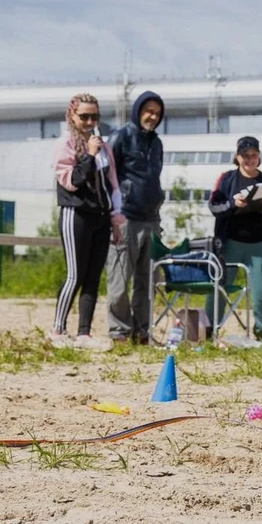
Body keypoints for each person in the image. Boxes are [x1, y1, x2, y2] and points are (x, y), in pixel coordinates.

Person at [51, 93, 126, 351]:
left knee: (93, 276)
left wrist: (116, 217)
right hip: (76, 213)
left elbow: (112, 183)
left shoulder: (104, 147)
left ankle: (84, 332)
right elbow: (72, 180)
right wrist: (89, 156)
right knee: (75, 274)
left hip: (101, 216)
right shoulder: (66, 144)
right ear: (72, 116)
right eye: (84, 116)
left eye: (94, 116)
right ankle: (57, 329)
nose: (90, 121)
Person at [206, 135, 262, 343]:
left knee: (261, 291)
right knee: (219, 285)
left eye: (253, 155)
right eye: (245, 155)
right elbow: (214, 207)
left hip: (260, 243)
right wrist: (234, 205)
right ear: (237, 157)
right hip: (230, 242)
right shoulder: (226, 179)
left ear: (259, 157)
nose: (249, 159)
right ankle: (207, 330)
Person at [106, 91, 165, 345]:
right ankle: (119, 331)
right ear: (138, 110)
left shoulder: (157, 143)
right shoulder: (121, 137)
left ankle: (142, 331)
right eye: (148, 110)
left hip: (151, 218)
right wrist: (112, 215)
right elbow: (107, 177)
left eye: (157, 112)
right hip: (126, 218)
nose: (152, 116)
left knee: (147, 280)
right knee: (119, 277)